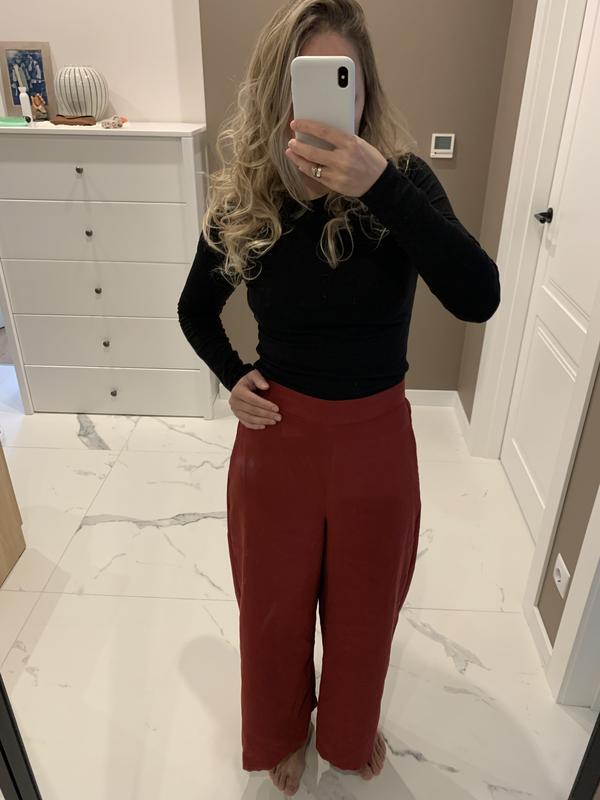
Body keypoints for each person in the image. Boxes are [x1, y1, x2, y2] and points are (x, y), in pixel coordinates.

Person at [177, 0, 501, 794]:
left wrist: (382, 186)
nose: (330, 105)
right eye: (309, 81)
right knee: (273, 616)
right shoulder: (252, 194)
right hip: (277, 442)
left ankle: (350, 727)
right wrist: (232, 375)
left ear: (364, 88)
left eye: (343, 80)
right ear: (277, 91)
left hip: (376, 444)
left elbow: (479, 295)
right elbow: (194, 308)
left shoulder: (405, 181)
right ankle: (283, 730)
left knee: (364, 621)